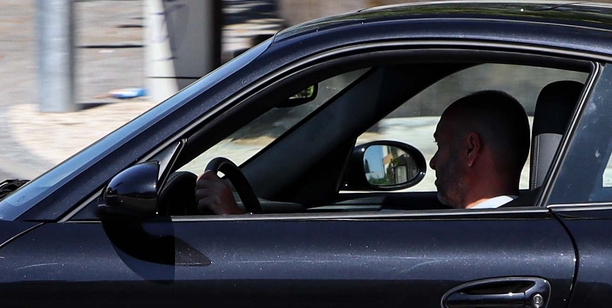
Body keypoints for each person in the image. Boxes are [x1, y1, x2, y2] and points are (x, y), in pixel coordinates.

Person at [194, 88, 529, 214]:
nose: (433, 160)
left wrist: (232, 219)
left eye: (441, 145)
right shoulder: (503, 226)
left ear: (471, 149)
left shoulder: (472, 235)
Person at [428, 90, 529, 208]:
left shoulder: (466, 226)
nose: (432, 163)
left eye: (440, 144)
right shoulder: (529, 223)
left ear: (471, 149)